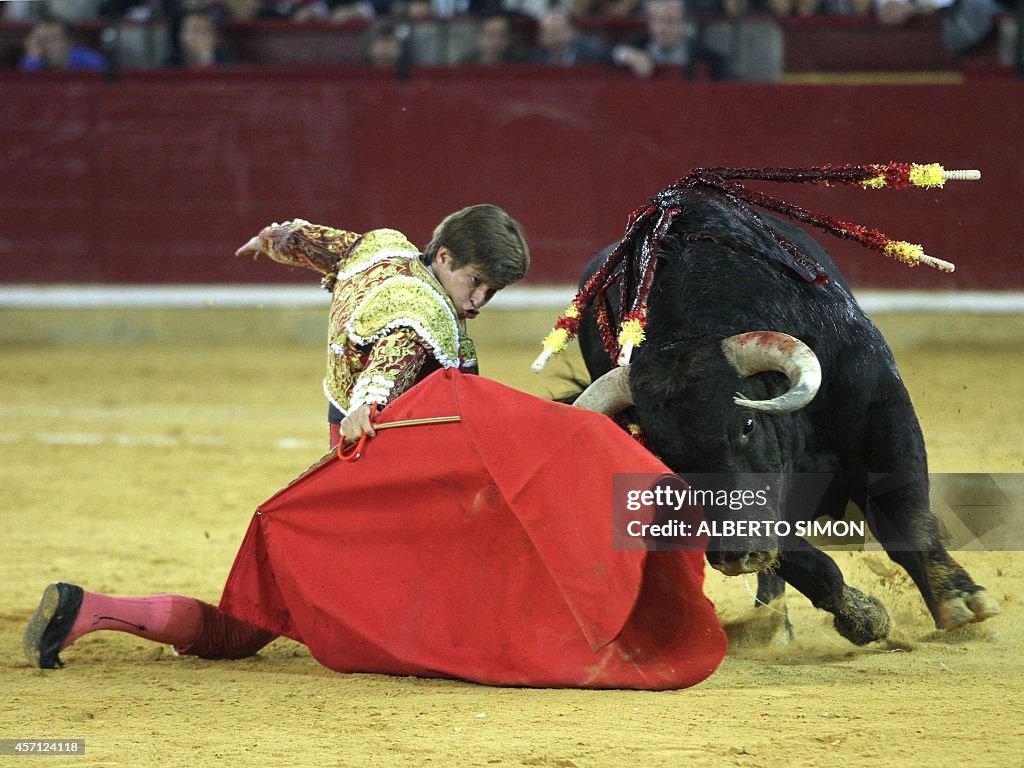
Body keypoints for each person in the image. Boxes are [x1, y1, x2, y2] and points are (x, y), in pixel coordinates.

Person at [241, 205, 530, 447]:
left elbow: (317, 243)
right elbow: (393, 359)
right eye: (475, 281)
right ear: (444, 257)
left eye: (493, 290)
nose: (479, 300)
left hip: (347, 413)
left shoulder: (383, 250)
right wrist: (367, 405)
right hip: (380, 434)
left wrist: (269, 239)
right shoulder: (423, 310)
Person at [610, 0, 728, 78]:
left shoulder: (702, 55)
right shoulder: (640, 44)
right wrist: (628, 55)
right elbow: (606, 54)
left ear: (683, 25)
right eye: (657, 20)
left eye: (670, 21)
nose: (662, 28)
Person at [18, 19, 107, 71]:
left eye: (52, 39)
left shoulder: (89, 61)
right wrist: (32, 58)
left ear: (68, 41)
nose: (46, 45)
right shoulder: (33, 62)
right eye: (41, 40)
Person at [528, 10, 612, 65]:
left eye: (557, 31)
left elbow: (612, 54)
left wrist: (624, 55)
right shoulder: (535, 58)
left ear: (573, 32)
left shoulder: (590, 52)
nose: (553, 38)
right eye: (547, 33)